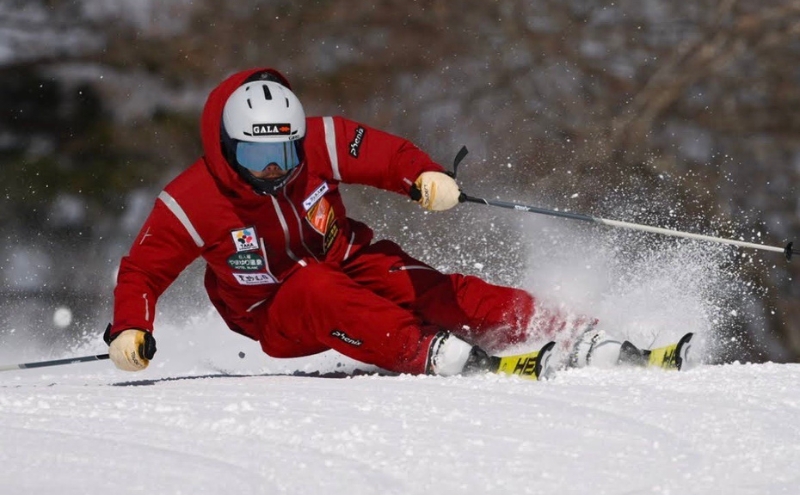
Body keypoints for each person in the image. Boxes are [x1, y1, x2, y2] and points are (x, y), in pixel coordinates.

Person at [104, 67, 638, 376]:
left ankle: (569, 329)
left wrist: (424, 177)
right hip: (274, 309)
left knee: (433, 290)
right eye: (254, 157)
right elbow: (143, 271)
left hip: (349, 259)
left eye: (283, 157)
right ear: (226, 148)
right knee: (315, 286)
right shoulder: (192, 199)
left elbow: (383, 153)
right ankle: (426, 350)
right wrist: (131, 326)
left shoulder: (319, 141)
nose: (272, 171)